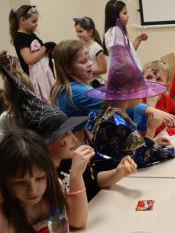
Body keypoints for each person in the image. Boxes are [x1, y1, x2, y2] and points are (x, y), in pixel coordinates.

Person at [0, 54, 135, 208]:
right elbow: (74, 220)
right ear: (45, 142)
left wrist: (119, 172)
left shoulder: (69, 158)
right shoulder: (41, 178)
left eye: (70, 132)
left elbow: (94, 180)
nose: (74, 139)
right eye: (65, 134)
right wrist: (76, 175)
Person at [0, 129, 108, 233]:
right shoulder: (3, 218)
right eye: (20, 182)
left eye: (40, 177)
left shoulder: (54, 188)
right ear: (5, 181)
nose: (33, 189)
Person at [88, 23, 175, 171]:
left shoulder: (115, 113)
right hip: (116, 183)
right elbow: (140, 159)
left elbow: (135, 151)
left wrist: (153, 141)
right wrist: (151, 132)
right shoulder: (116, 122)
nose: (142, 96)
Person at [50, 40, 103, 133]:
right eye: (83, 61)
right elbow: (117, 102)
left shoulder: (62, 87)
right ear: (68, 68)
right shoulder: (78, 91)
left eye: (89, 58)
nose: (90, 63)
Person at [9, 5, 55, 102]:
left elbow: (40, 54)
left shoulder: (30, 33)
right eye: (34, 21)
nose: (36, 24)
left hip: (44, 76)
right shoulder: (19, 36)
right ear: (22, 20)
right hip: (35, 80)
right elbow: (29, 59)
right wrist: (46, 47)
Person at [141, 61, 175, 138]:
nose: (153, 82)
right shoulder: (138, 102)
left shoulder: (165, 98)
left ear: (166, 85)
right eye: (149, 77)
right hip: (150, 140)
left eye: (158, 79)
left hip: (164, 135)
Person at [103, 0, 148, 69]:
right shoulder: (115, 31)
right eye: (124, 13)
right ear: (115, 16)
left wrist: (138, 39)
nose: (128, 16)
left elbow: (129, 52)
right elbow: (121, 57)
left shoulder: (118, 31)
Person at [73, 17, 107, 87]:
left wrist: (84, 71)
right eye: (76, 32)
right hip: (86, 83)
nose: (78, 34)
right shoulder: (81, 46)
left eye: (80, 31)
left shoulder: (97, 48)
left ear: (90, 32)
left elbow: (103, 69)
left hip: (96, 83)